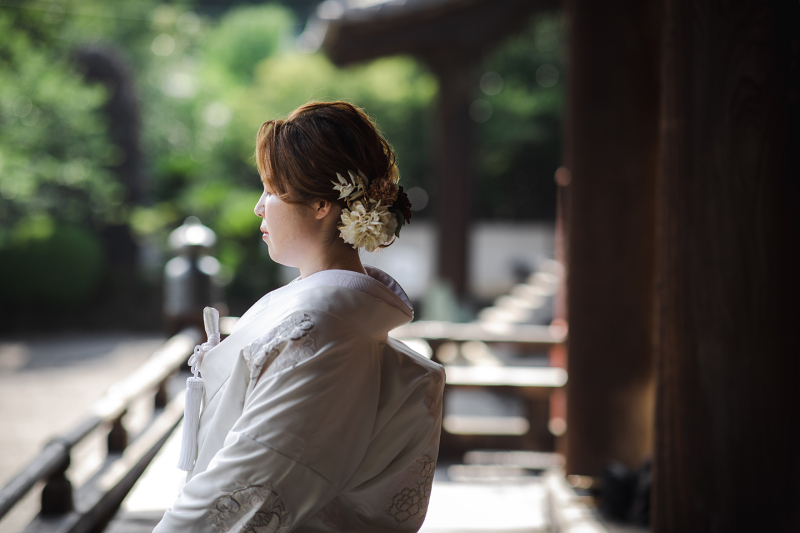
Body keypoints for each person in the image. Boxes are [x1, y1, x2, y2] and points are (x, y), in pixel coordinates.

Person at [153, 101, 445, 533]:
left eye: (271, 190)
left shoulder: (324, 332)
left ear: (322, 204)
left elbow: (247, 482)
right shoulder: (329, 318)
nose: (259, 207)